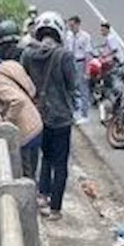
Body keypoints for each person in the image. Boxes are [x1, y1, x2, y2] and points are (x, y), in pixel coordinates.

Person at [21, 11, 81, 221]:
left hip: (37, 115)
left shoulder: (28, 54)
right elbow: (72, 84)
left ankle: (42, 196)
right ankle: (55, 209)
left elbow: (24, 80)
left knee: (44, 157)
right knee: (60, 163)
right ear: (59, 33)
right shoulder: (64, 56)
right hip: (61, 117)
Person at [0, 25, 44, 180]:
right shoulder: (13, 65)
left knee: (25, 175)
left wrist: (6, 122)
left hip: (24, 131)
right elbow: (31, 90)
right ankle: (36, 195)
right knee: (33, 169)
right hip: (36, 123)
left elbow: (17, 101)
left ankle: (31, 202)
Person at [67, 16, 93, 124]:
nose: (71, 27)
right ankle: (75, 111)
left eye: (72, 25)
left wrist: (87, 70)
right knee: (72, 87)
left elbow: (88, 54)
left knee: (83, 89)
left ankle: (85, 114)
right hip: (71, 62)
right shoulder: (68, 36)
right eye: (70, 25)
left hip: (80, 62)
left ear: (78, 24)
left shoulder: (85, 37)